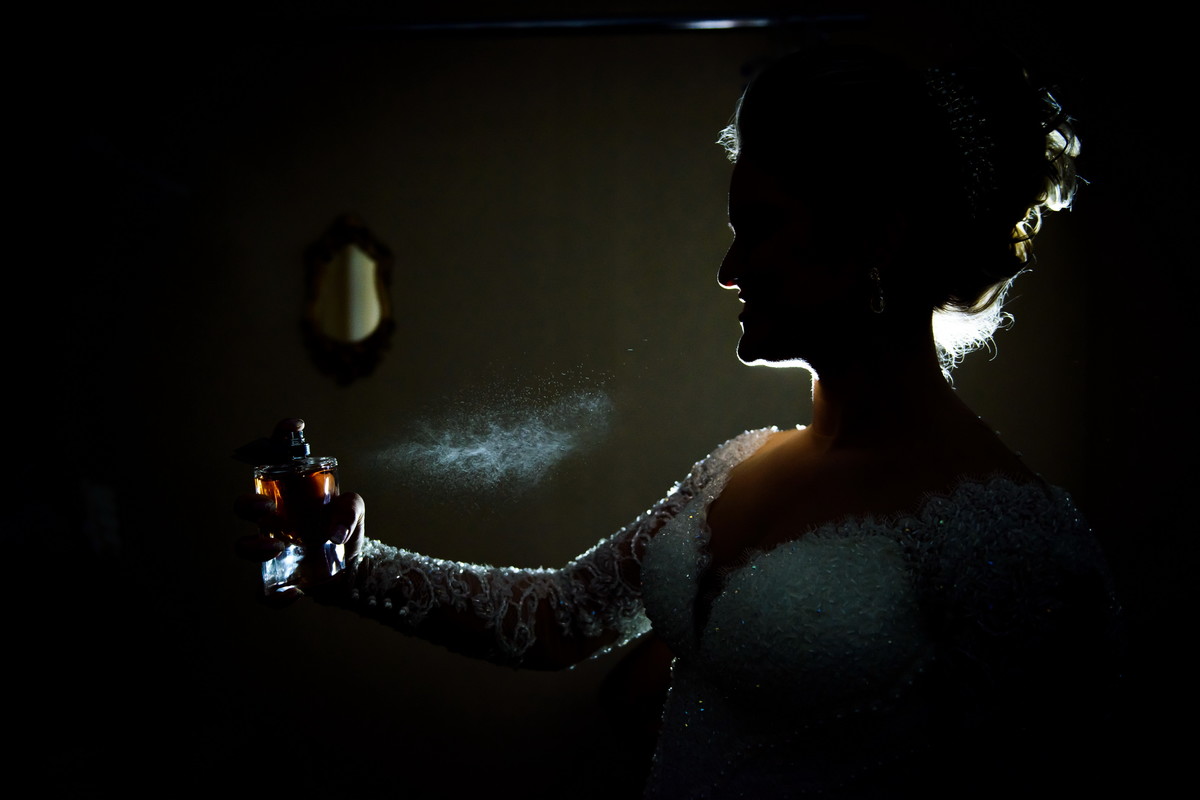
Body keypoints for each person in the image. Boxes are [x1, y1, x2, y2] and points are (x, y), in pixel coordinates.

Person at [237, 46, 1116, 797]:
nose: (730, 270)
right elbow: (557, 617)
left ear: (873, 239)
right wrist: (345, 564)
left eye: (759, 227)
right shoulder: (743, 464)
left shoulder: (1014, 535)